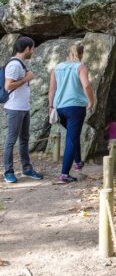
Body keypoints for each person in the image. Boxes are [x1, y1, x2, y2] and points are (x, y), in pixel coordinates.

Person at [48, 42, 95, 183]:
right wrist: (91, 101)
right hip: (75, 107)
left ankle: (78, 162)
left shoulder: (57, 68)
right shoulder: (80, 67)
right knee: (71, 139)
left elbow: (51, 90)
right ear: (82, 54)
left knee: (72, 136)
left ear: (68, 53)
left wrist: (50, 106)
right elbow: (86, 85)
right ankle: (64, 175)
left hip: (59, 108)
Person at [3, 36, 43, 183]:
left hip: (23, 107)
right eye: (32, 48)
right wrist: (27, 79)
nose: (33, 51)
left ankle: (27, 169)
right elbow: (8, 86)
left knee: (24, 140)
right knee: (11, 140)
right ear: (27, 49)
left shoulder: (20, 64)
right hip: (14, 108)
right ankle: (8, 172)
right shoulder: (14, 65)